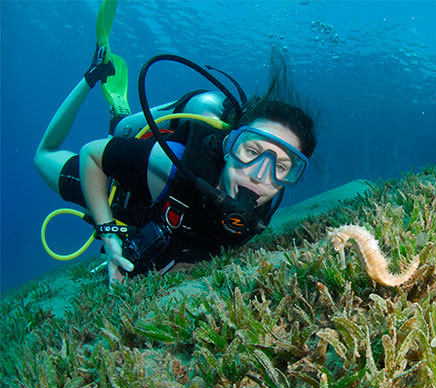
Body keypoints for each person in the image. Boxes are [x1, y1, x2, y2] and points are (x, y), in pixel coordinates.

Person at [35, 39, 316, 286]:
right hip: (121, 186)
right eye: (252, 152)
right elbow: (91, 154)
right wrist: (108, 232)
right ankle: (96, 78)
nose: (259, 177)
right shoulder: (168, 165)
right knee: (44, 156)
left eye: (280, 167)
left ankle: (121, 117)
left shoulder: (266, 203)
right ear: (229, 145)